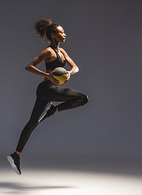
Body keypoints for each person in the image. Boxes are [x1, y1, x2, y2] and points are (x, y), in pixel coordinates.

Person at [7, 18, 89, 175]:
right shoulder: (49, 52)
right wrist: (48, 75)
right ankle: (52, 111)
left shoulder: (62, 52)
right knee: (83, 98)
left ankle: (16, 155)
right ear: (53, 35)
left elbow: (75, 67)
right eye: (61, 32)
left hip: (47, 91)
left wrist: (69, 73)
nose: (64, 34)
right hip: (47, 88)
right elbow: (28, 66)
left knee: (32, 122)